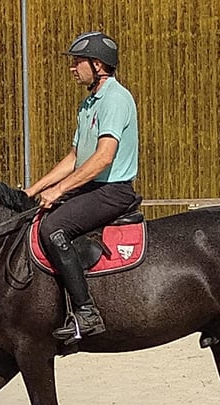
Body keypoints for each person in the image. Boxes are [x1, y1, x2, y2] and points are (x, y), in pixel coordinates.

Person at [25, 31, 140, 344]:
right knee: (34, 218)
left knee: (53, 228)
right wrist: (33, 190)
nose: (73, 67)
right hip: (91, 189)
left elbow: (103, 158)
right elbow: (76, 157)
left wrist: (60, 190)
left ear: (98, 64)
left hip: (112, 190)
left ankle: (86, 311)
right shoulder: (88, 103)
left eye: (78, 61)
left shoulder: (115, 99)